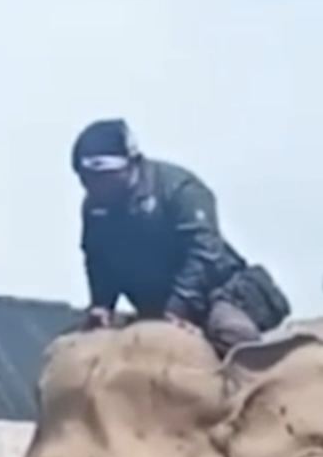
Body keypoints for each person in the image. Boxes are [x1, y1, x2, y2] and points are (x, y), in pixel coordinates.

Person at [70, 118, 290, 357]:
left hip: (215, 294)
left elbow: (205, 251)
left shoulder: (179, 189)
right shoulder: (95, 209)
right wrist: (102, 304)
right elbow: (98, 258)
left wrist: (179, 307)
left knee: (233, 334)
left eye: (104, 176)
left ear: (131, 163)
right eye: (87, 178)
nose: (95, 186)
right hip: (154, 308)